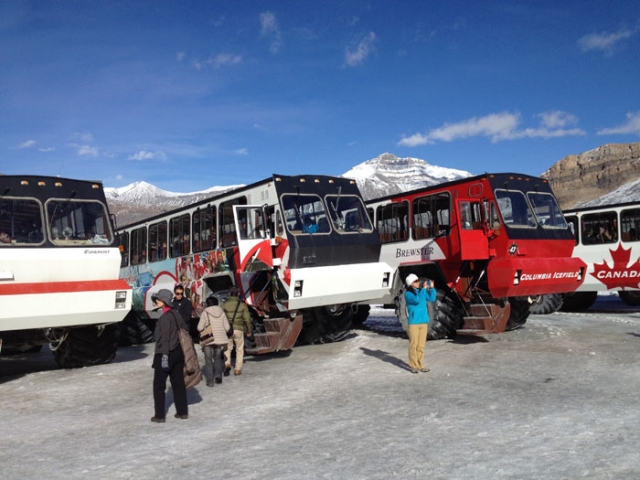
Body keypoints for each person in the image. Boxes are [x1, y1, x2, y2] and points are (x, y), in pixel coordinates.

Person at [150, 289, 188, 423]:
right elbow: (185, 328)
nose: (156, 301)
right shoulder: (176, 314)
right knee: (178, 383)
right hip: (178, 352)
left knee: (159, 386)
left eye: (158, 300)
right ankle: (182, 412)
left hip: (165, 353)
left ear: (164, 301)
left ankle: (159, 415)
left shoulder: (165, 318)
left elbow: (165, 338)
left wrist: (165, 356)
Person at [404, 273, 437, 374]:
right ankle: (413, 365)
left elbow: (431, 298)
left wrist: (431, 288)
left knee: (421, 345)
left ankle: (421, 364)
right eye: (416, 281)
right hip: (414, 323)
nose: (418, 282)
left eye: (418, 280)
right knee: (414, 345)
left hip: (423, 322)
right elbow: (416, 300)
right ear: (411, 283)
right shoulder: (408, 294)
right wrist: (423, 289)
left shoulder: (420, 292)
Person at [197, 295, 232, 387]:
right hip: (219, 340)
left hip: (208, 340)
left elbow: (199, 327)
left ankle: (210, 381)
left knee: (208, 361)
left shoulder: (205, 313)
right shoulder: (222, 312)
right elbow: (227, 328)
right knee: (217, 359)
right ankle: (218, 377)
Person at [222, 287, 253, 376]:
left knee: (227, 348)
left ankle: (227, 363)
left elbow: (220, 316)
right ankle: (237, 369)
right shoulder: (242, 305)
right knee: (239, 349)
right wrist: (249, 330)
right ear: (238, 294)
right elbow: (247, 318)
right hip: (239, 329)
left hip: (227, 329)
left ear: (229, 294)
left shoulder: (224, 304)